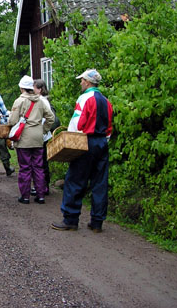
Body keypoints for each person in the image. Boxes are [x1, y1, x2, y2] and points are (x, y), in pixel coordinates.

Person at [51, 69, 113, 233]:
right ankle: (97, 221)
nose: (80, 83)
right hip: (102, 142)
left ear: (87, 81)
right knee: (100, 182)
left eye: (81, 80)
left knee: (75, 180)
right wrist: (103, 141)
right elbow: (109, 127)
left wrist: (71, 143)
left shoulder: (85, 98)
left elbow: (77, 124)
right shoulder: (106, 101)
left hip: (85, 141)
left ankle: (70, 219)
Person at [9, 76, 54, 204]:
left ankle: (25, 196)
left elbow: (12, 120)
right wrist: (43, 130)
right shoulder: (39, 101)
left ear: (22, 88)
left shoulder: (19, 101)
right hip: (38, 137)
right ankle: (40, 195)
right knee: (38, 167)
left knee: (25, 167)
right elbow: (51, 118)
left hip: (24, 138)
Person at [32, 79, 61, 196]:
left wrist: (42, 130)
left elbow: (48, 118)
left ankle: (43, 187)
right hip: (44, 134)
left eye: (34, 87)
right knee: (42, 161)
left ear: (39, 89)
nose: (32, 90)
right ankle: (43, 186)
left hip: (42, 134)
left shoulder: (41, 101)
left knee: (41, 161)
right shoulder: (44, 100)